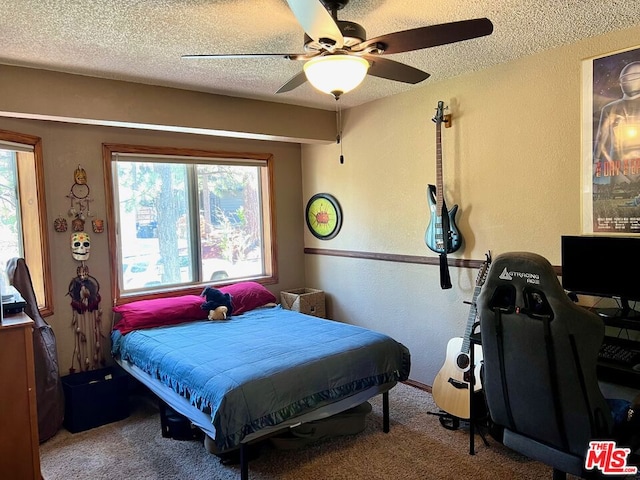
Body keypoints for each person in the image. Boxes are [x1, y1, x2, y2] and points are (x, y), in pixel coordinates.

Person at [593, 61, 640, 194]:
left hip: (619, 165)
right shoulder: (610, 108)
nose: (630, 81)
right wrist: (595, 162)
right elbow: (602, 137)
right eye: (627, 78)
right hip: (618, 166)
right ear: (621, 82)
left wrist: (595, 162)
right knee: (620, 195)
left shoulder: (610, 108)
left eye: (634, 77)